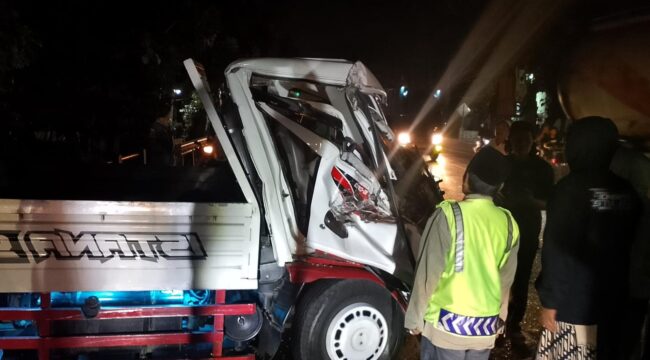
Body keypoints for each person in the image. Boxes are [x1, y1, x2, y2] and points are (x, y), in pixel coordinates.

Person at [535, 117, 641, 359]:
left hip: (571, 306)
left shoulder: (569, 190)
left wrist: (550, 301)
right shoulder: (625, 190)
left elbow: (557, 250)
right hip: (613, 302)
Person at [405, 148, 520, 360]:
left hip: (445, 328)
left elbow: (428, 275)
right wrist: (499, 321)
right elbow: (506, 282)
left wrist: (414, 319)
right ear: (500, 186)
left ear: (465, 178)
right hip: (484, 328)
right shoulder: (509, 224)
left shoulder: (448, 215)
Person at [499, 121, 554, 356]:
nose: (521, 144)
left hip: (528, 231)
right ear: (510, 141)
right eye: (517, 140)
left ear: (532, 142)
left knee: (521, 279)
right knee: (498, 277)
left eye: (526, 140)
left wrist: (530, 201)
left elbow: (549, 202)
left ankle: (514, 325)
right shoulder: (502, 165)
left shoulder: (542, 169)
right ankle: (495, 324)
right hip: (500, 230)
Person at [147, 100, 174, 166]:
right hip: (161, 156)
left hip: (163, 155)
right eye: (169, 114)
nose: (169, 116)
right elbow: (166, 142)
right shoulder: (158, 127)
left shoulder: (159, 126)